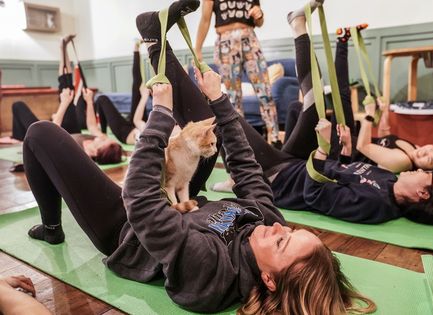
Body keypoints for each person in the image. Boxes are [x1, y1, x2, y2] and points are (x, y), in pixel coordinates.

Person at [23, 2, 375, 314]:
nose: (280, 226)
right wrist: (219, 100)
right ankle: (156, 40)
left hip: (127, 226)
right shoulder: (265, 222)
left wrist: (160, 115)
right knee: (209, 132)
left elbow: (141, 204)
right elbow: (248, 168)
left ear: (269, 279)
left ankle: (52, 228)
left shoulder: (212, 270)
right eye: (292, 230)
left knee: (41, 133)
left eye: (283, 241)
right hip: (179, 199)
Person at [231, 3, 433, 227]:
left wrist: (325, 148)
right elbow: (344, 172)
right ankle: (298, 26)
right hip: (295, 163)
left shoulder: (376, 205)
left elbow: (313, 195)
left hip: (278, 180)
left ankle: (242, 178)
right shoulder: (389, 178)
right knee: (311, 98)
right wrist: (344, 151)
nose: (421, 169)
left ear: (423, 194)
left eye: (428, 171)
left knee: (226, 118)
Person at [283, 23, 433, 182]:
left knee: (297, 108)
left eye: (429, 160)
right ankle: (343, 40)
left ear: (427, 171)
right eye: (432, 148)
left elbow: (363, 147)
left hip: (343, 150)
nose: (425, 152)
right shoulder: (414, 148)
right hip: (349, 136)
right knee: (341, 94)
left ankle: (287, 158)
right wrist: (383, 113)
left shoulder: (403, 162)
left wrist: (369, 115)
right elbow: (385, 137)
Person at [0, 36, 123, 165]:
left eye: (102, 142)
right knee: (67, 89)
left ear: (94, 153)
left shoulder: (79, 154)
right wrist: (89, 102)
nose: (102, 138)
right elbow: (92, 126)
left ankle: (19, 137)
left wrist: (64, 104)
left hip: (46, 135)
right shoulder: (101, 142)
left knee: (18, 105)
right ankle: (63, 48)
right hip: (71, 131)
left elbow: (50, 132)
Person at [195, 0, 281, 146]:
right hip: (225, 42)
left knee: (265, 91)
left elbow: (259, 21)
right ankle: (241, 142)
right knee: (234, 98)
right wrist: (197, 49)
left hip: (250, 39)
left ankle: (274, 139)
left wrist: (259, 15)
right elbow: (205, 19)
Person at [94, 40, 151, 145]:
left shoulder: (151, 135)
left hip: (125, 133)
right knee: (137, 85)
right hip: (137, 124)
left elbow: (136, 121)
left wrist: (144, 97)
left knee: (102, 99)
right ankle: (136, 49)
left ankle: (103, 134)